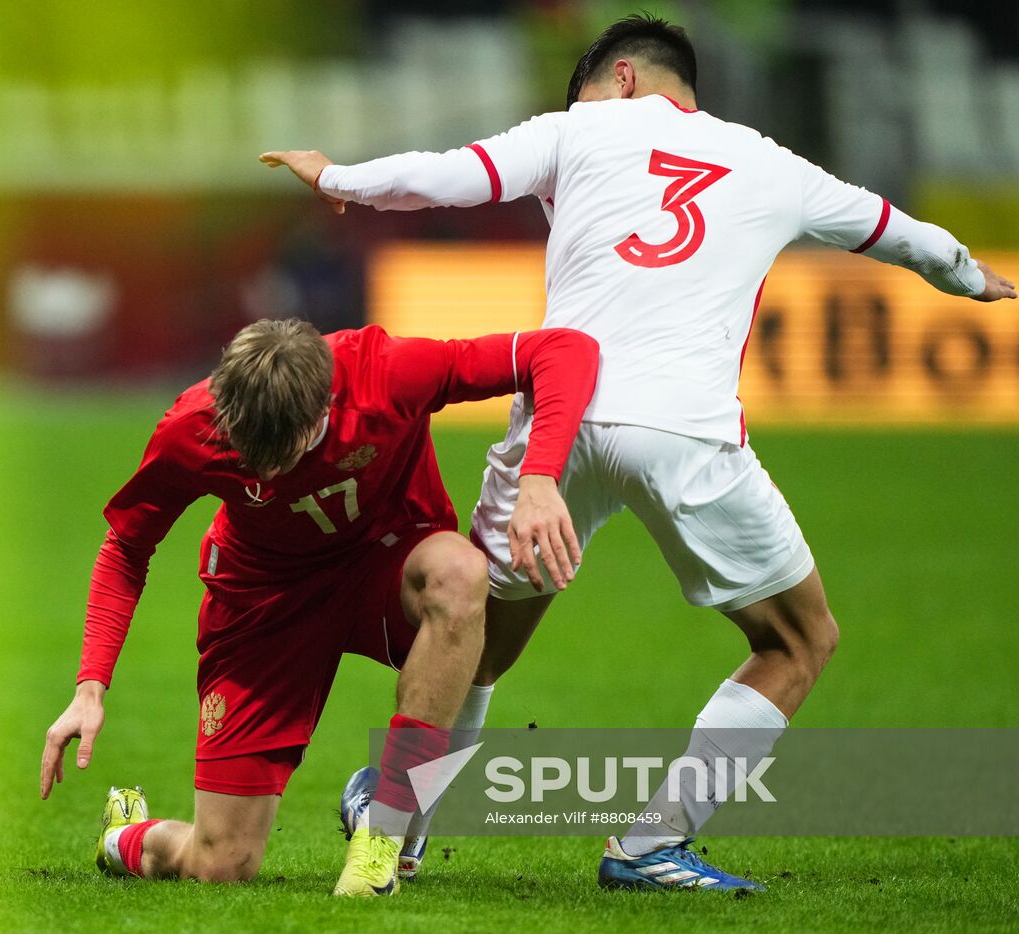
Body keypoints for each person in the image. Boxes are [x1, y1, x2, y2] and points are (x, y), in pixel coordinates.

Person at [261, 14, 1016, 891]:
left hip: (559, 421)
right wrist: (970, 273)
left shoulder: (579, 129)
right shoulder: (771, 161)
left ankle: (396, 831)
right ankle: (652, 842)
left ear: (621, 77)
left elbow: (447, 177)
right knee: (800, 641)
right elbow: (892, 229)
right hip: (684, 432)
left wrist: (337, 175)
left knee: (479, 648)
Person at [39, 318, 599, 896]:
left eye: (282, 455)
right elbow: (128, 545)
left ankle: (384, 831)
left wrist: (539, 477)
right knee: (221, 864)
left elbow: (563, 348)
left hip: (386, 561)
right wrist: (90, 686)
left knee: (460, 575)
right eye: (248, 454)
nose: (265, 473)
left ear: (322, 411)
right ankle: (124, 835)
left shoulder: (385, 373)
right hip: (264, 599)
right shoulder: (192, 426)